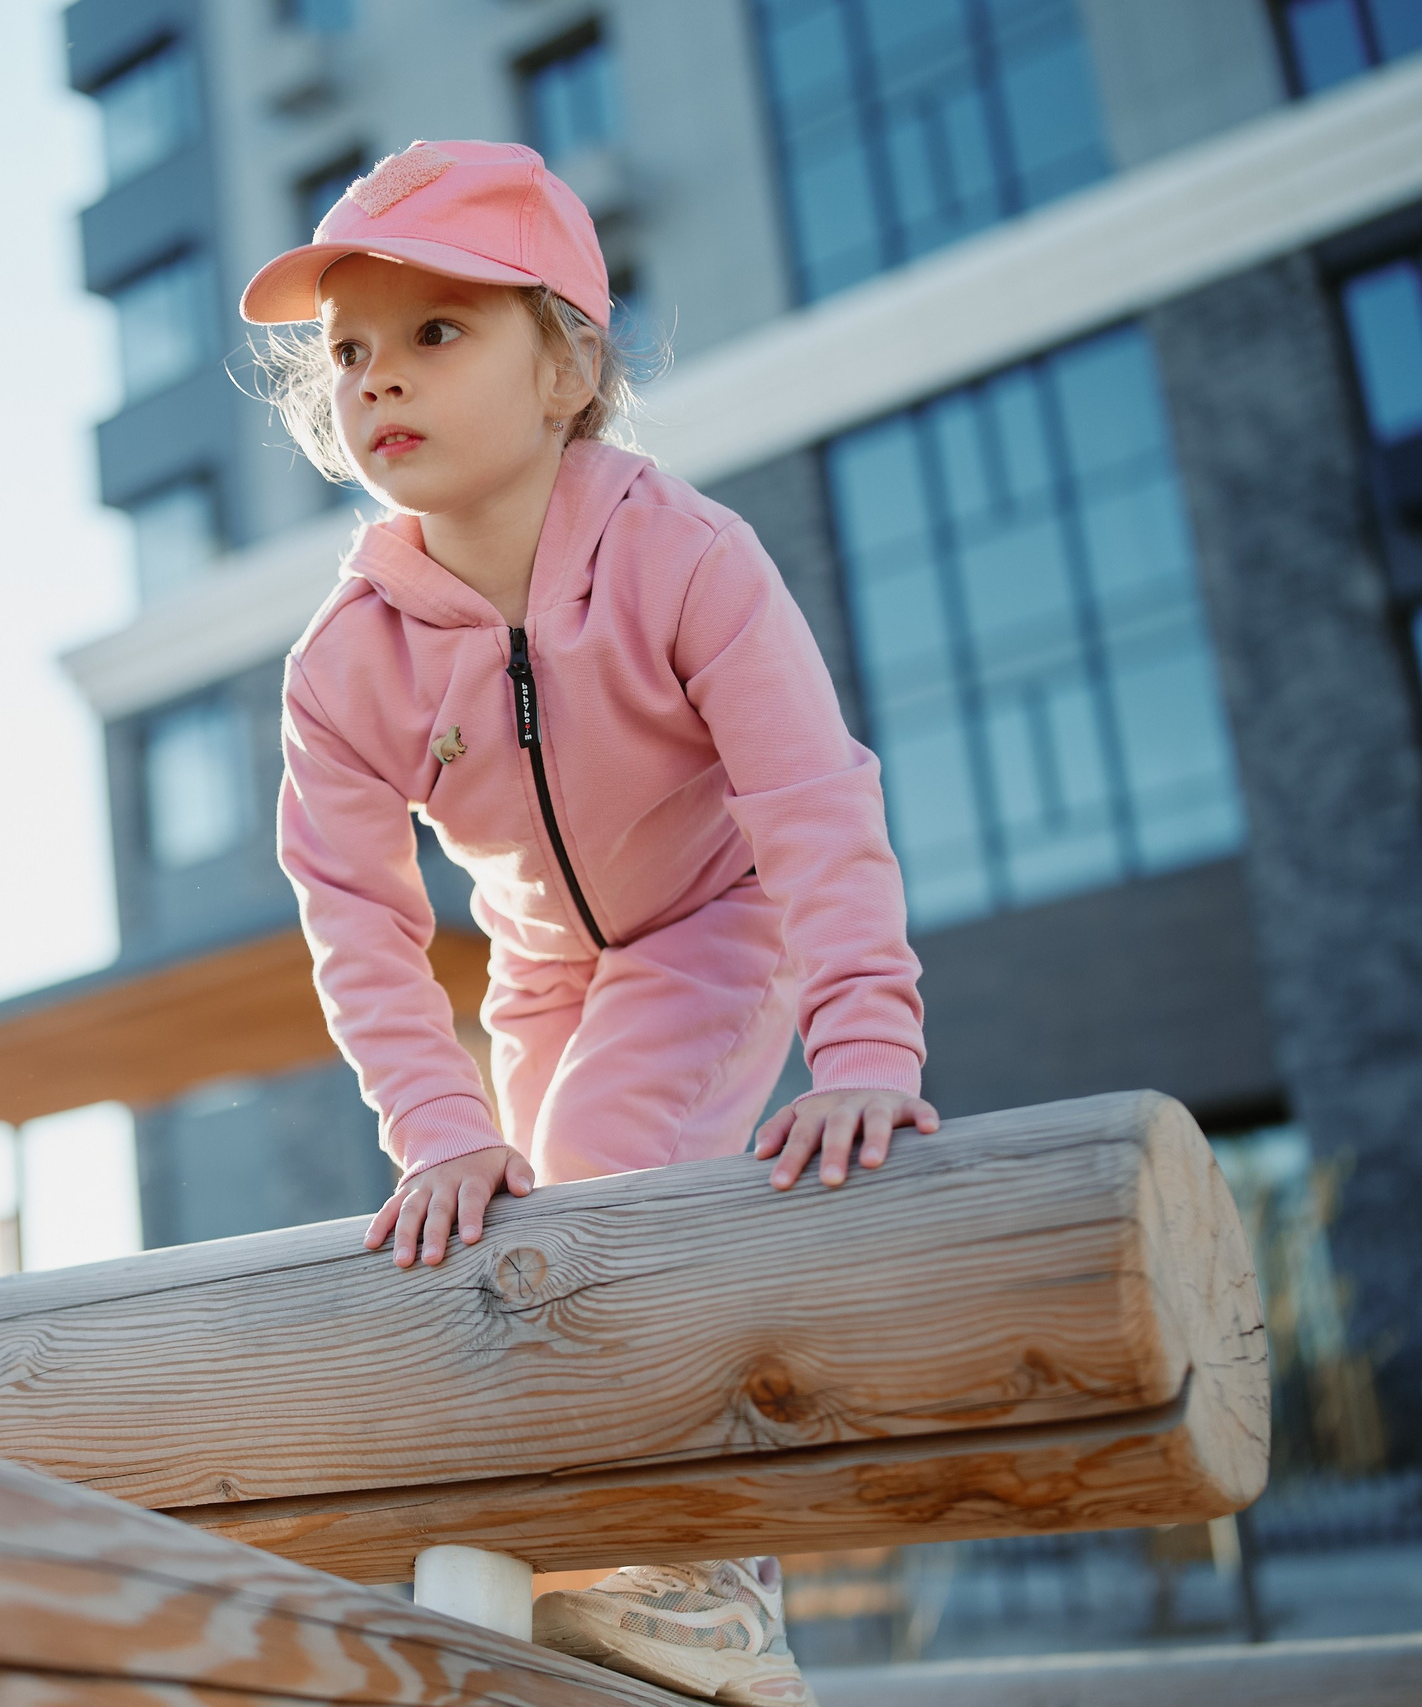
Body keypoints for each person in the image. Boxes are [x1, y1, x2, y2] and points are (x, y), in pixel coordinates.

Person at [243, 140, 938, 1706]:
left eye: (438, 332)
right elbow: (354, 917)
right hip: (550, 956)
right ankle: (577, 1570)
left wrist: (864, 1044)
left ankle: (713, 1591)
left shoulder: (684, 556)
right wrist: (434, 1126)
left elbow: (814, 800)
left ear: (565, 368)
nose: (378, 379)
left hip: (718, 912)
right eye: (350, 351)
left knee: (614, 1168)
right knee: (512, 1240)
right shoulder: (345, 662)